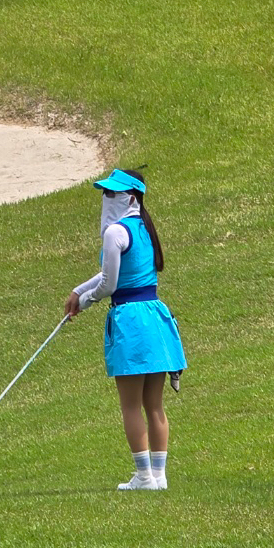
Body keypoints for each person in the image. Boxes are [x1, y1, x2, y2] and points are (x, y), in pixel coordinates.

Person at [65, 168, 187, 490]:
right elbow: (109, 274)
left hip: (131, 322)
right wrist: (79, 291)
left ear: (130, 196)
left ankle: (145, 476)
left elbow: (109, 283)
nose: (106, 199)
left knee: (131, 405)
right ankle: (159, 477)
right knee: (154, 404)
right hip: (155, 317)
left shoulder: (114, 232)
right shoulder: (145, 228)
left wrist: (87, 299)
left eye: (111, 194)